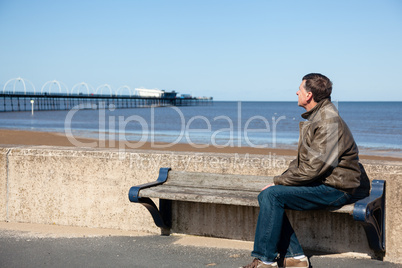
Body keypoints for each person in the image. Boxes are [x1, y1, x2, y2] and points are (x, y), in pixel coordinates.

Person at [242, 73, 362, 268]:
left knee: (272, 196)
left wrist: (278, 182)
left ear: (309, 95)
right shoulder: (318, 116)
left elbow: (312, 169)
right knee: (271, 195)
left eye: (300, 89)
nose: (297, 91)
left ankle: (265, 261)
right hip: (323, 183)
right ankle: (295, 258)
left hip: (336, 189)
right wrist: (280, 180)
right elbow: (301, 162)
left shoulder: (327, 121)